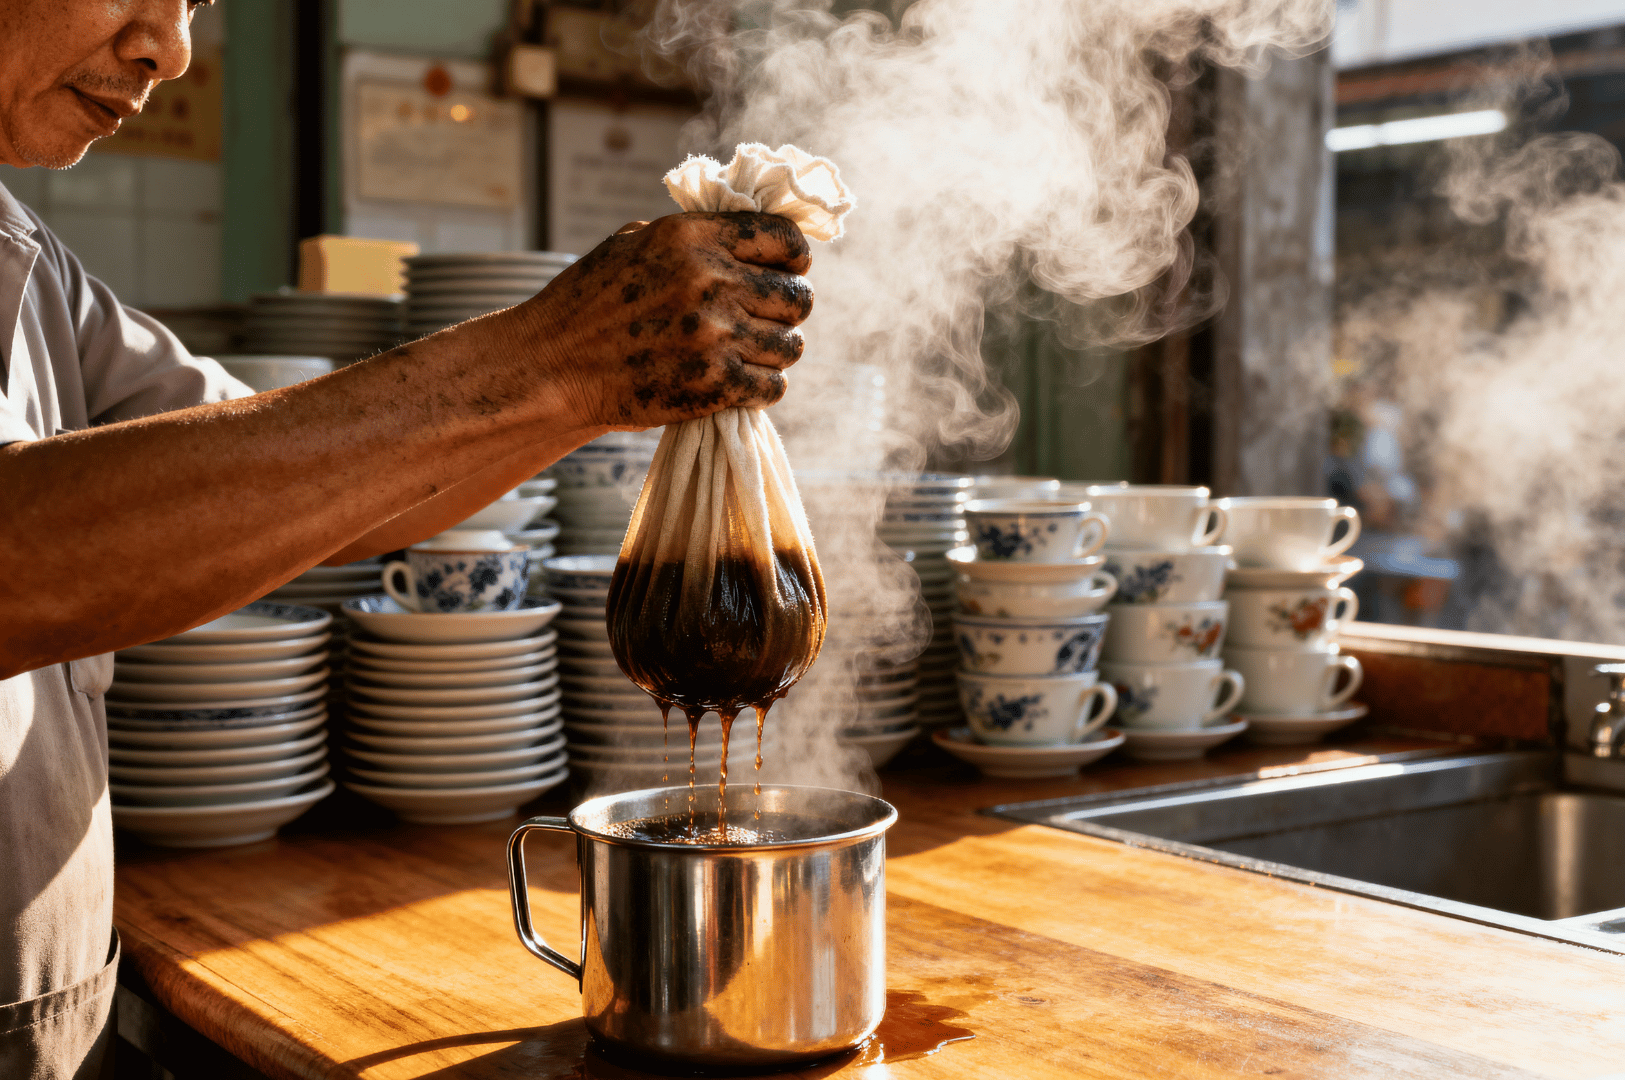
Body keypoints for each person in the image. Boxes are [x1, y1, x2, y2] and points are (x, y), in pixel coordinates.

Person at [0, 2, 815, 1076]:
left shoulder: (28, 261)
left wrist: (591, 390)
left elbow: (310, 489)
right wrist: (549, 358)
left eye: (196, 1)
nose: (174, 49)